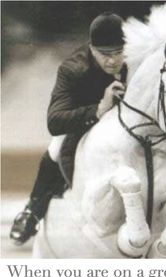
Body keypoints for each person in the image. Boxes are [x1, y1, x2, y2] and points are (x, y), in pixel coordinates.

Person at [10, 12, 127, 245]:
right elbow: (54, 121)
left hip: (128, 123)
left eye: (117, 53)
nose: (112, 61)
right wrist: (98, 108)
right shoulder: (73, 69)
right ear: (92, 48)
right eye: (105, 54)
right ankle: (33, 210)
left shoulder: (137, 59)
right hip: (86, 124)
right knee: (55, 147)